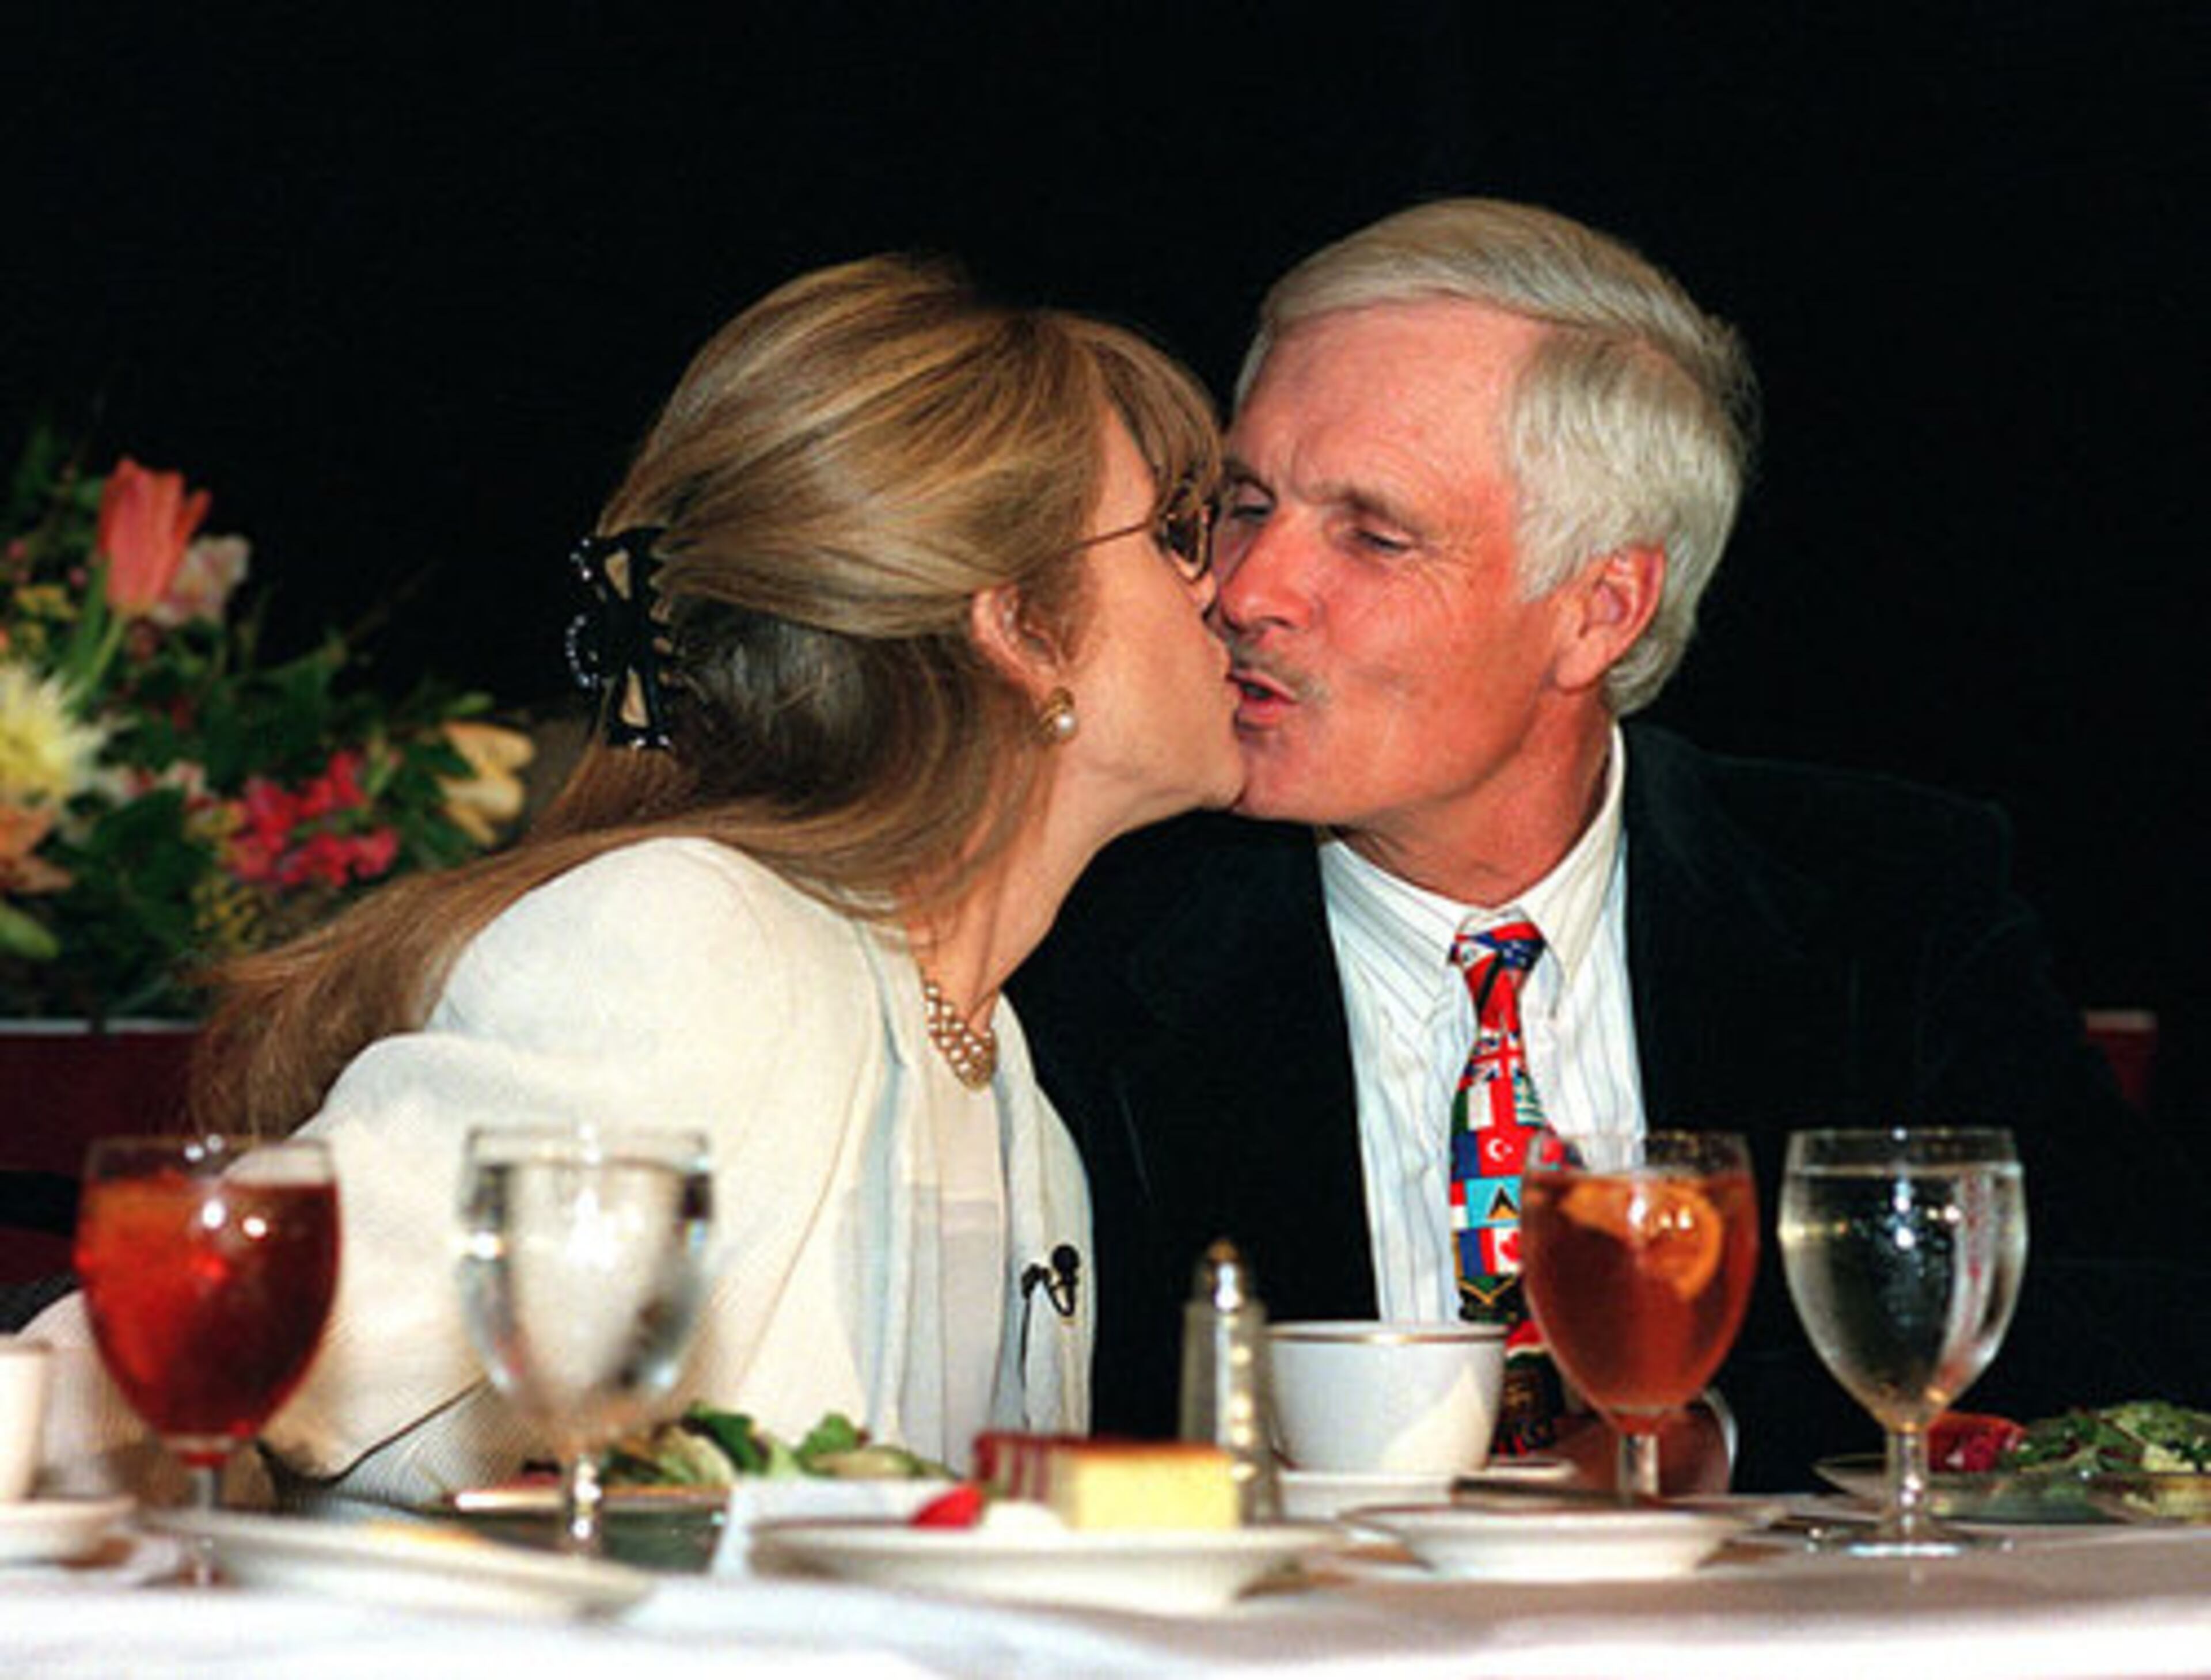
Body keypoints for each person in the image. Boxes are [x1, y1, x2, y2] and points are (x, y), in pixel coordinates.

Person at [1012, 198, 2211, 1492]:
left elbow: (2134, 1309)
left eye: (1371, 533)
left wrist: (1717, 1429)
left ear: (1599, 612)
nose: (1244, 591)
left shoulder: (1878, 896)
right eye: (1246, 503)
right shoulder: (1087, 928)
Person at [31, 253, 1242, 1504]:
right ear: (1022, 629)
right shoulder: (695, 940)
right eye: (1174, 537)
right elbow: (159, 1367)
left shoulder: (1007, 1077)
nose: (1229, 591)